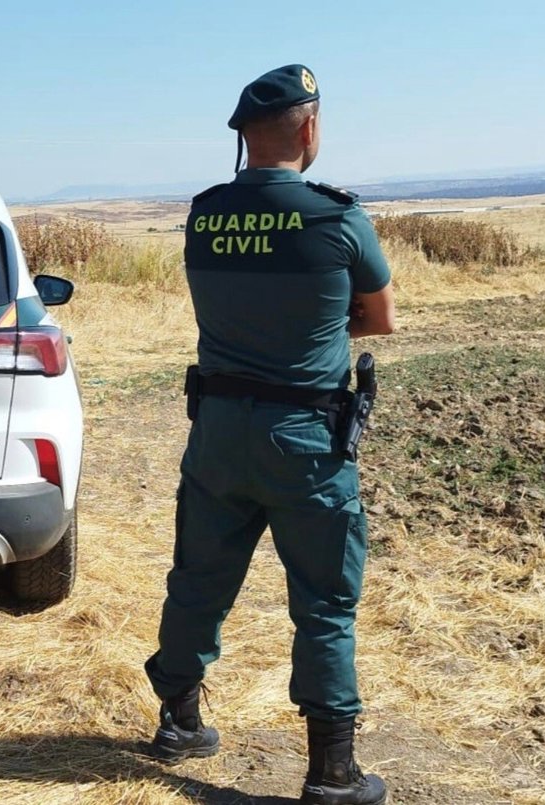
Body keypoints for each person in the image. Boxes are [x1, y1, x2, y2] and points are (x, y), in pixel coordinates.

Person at [143, 64, 396, 805]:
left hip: (219, 430)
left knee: (198, 580)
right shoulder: (337, 217)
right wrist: (316, 331)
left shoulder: (205, 214)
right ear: (309, 127)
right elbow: (379, 318)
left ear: (242, 135)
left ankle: (179, 721)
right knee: (324, 601)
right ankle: (332, 771)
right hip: (306, 436)